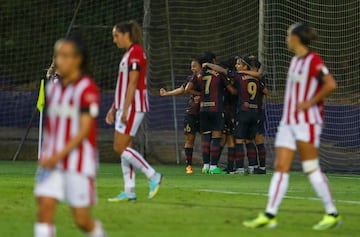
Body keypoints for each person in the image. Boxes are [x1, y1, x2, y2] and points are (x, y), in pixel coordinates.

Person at [243, 23, 340, 230]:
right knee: (280, 167)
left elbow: (331, 84)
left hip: (307, 122)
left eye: (288, 35)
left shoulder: (313, 60)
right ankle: (270, 214)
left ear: (296, 38)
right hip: (288, 122)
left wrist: (309, 102)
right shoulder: (295, 61)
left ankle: (332, 213)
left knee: (310, 168)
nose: (286, 39)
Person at [35, 35, 107, 237]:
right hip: (52, 161)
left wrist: (57, 156)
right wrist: (48, 154)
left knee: (82, 220)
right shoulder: (53, 88)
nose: (60, 60)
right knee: (45, 208)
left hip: (79, 163)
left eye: (66, 55)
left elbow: (84, 130)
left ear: (78, 59)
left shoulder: (87, 89)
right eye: (58, 55)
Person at [106, 20, 163, 202]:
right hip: (126, 106)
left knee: (119, 147)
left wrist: (125, 109)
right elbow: (123, 85)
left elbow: (133, 82)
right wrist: (114, 107)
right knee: (125, 148)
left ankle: (153, 176)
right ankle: (129, 190)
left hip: (133, 106)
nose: (115, 40)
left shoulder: (136, 52)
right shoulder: (129, 54)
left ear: (126, 35)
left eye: (116, 35)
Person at [204, 56, 263, 175]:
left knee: (239, 140)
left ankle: (239, 168)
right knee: (249, 140)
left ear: (245, 66)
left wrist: (208, 65)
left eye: (239, 64)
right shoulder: (255, 78)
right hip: (254, 112)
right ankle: (254, 167)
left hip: (240, 111)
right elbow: (265, 89)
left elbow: (223, 73)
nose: (236, 66)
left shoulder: (236, 76)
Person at [186, 52, 237, 174]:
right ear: (213, 61)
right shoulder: (218, 74)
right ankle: (214, 167)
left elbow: (188, 89)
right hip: (216, 108)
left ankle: (206, 166)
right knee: (216, 137)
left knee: (206, 137)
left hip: (203, 109)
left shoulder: (199, 74)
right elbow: (232, 91)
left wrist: (200, 94)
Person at [160, 58, 202, 174]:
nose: (192, 68)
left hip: (205, 112)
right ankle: (189, 166)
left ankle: (207, 165)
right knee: (190, 138)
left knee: (206, 139)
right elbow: (182, 89)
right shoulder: (191, 79)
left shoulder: (207, 78)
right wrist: (167, 93)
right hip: (192, 112)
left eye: (195, 66)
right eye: (191, 66)